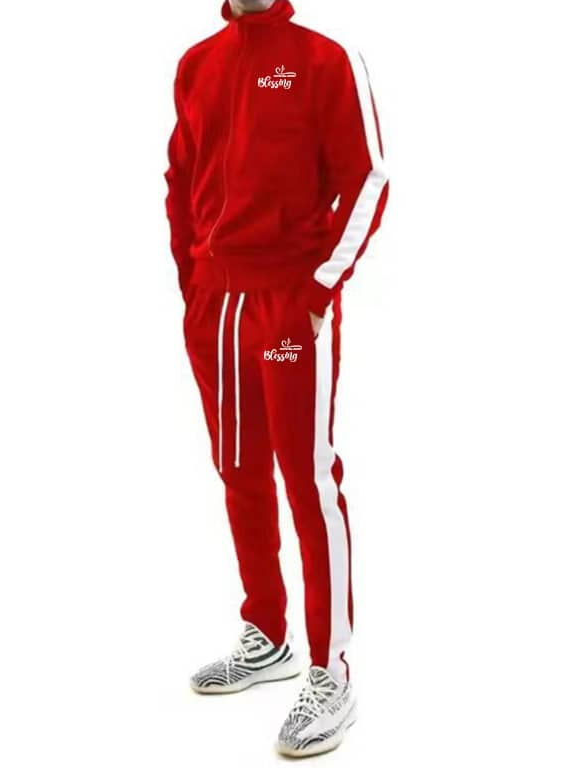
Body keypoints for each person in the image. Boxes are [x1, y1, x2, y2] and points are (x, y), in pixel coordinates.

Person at [164, 0, 388, 756]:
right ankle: (266, 631)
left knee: (308, 477)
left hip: (289, 302)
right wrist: (192, 282)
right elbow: (180, 177)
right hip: (215, 305)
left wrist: (321, 285)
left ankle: (331, 670)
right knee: (238, 468)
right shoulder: (197, 64)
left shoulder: (324, 59)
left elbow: (369, 176)